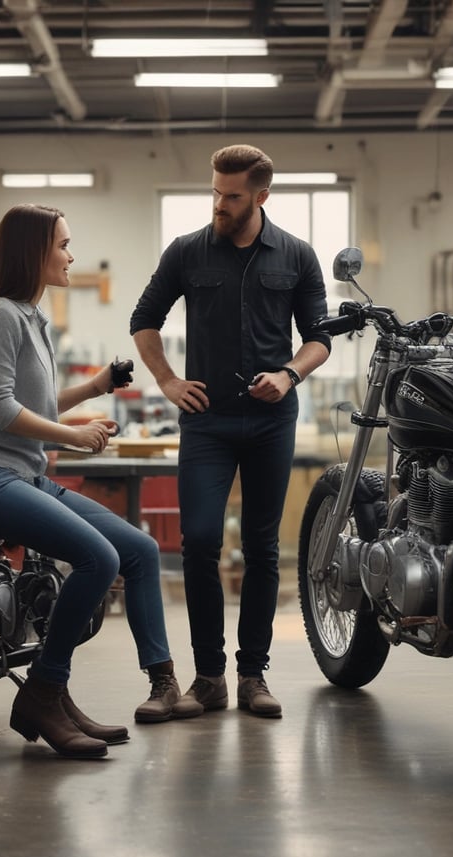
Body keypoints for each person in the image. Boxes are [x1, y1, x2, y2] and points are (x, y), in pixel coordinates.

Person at [0, 203, 202, 759]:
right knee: (98, 559)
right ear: (33, 251)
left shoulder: (33, 319)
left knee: (136, 548)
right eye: (62, 244)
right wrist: (70, 437)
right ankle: (44, 690)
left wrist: (91, 393)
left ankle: (161, 682)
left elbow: (30, 403)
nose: (71, 254)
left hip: (23, 474)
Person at [130, 144, 331, 718]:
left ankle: (253, 676)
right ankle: (209, 677)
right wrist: (168, 380)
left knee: (262, 549)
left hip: (271, 421)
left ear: (261, 195)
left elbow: (319, 338)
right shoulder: (188, 252)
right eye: (215, 191)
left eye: (232, 195)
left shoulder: (296, 255)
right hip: (207, 422)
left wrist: (290, 374)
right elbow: (143, 320)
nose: (220, 202)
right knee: (198, 541)